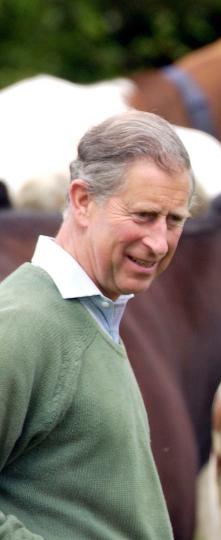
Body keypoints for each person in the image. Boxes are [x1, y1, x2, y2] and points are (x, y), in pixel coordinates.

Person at [0, 110, 193, 538]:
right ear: (83, 201)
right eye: (143, 215)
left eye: (174, 220)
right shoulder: (22, 325)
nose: (160, 242)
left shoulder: (94, 313)